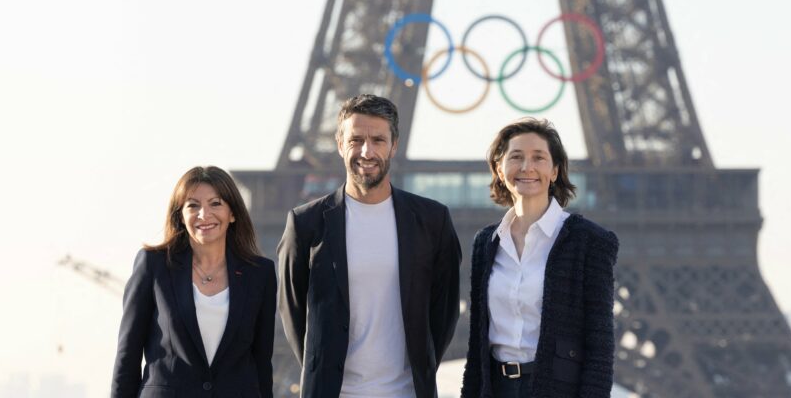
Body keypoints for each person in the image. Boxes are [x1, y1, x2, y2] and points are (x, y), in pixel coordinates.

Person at [278, 93, 462, 398]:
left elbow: (443, 313)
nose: (367, 151)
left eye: (378, 139)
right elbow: (293, 316)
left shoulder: (432, 221)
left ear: (394, 145)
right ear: (340, 144)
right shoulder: (305, 224)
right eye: (356, 140)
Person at [461, 119, 618, 398]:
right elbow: (477, 345)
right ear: (499, 168)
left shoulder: (589, 241)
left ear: (555, 170)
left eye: (538, 158)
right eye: (516, 157)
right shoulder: (486, 244)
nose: (527, 167)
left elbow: (600, 345)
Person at [111, 166, 277, 398]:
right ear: (180, 214)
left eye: (215, 203)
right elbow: (127, 357)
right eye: (193, 205)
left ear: (233, 213)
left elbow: (261, 362)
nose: (204, 214)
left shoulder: (260, 273)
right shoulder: (153, 265)